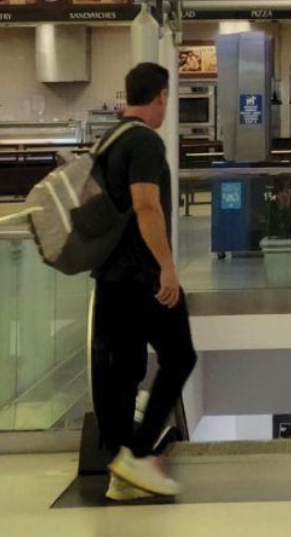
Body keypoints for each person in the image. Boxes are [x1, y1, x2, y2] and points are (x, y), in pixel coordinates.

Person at [90, 61, 197, 501]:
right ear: (159, 97)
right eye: (166, 97)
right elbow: (146, 206)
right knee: (179, 357)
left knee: (126, 371)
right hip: (143, 277)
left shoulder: (108, 139)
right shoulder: (145, 143)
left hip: (110, 277)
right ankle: (140, 456)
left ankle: (121, 470)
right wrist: (167, 267)